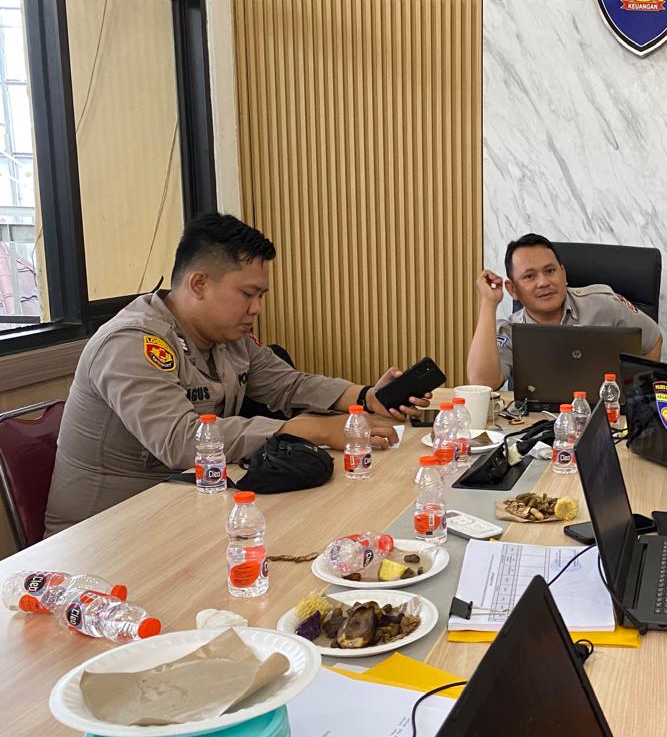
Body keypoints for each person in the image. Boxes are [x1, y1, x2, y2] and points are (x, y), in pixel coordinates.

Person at [45, 213, 428, 534]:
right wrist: (308, 429)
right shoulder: (130, 343)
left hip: (188, 508)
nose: (257, 308)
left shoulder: (226, 336)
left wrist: (365, 397)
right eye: (248, 294)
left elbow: (288, 384)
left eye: (261, 296)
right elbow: (181, 441)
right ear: (199, 284)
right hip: (107, 531)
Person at [465, 233, 663, 389]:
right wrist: (489, 303)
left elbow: (652, 340)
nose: (543, 282)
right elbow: (482, 384)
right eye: (529, 276)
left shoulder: (603, 305)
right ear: (512, 289)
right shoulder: (510, 330)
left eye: (550, 271)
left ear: (563, 273)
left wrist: (635, 395)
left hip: (604, 418)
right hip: (536, 425)